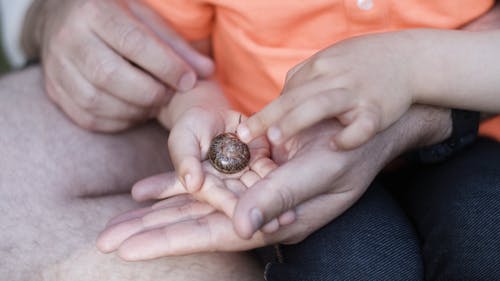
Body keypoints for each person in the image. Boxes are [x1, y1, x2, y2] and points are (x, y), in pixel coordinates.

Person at [1, 1, 499, 281]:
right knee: (356, 264)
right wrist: (192, 104)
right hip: (280, 148)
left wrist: (413, 68)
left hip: (471, 125)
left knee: (484, 235)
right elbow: (180, 43)